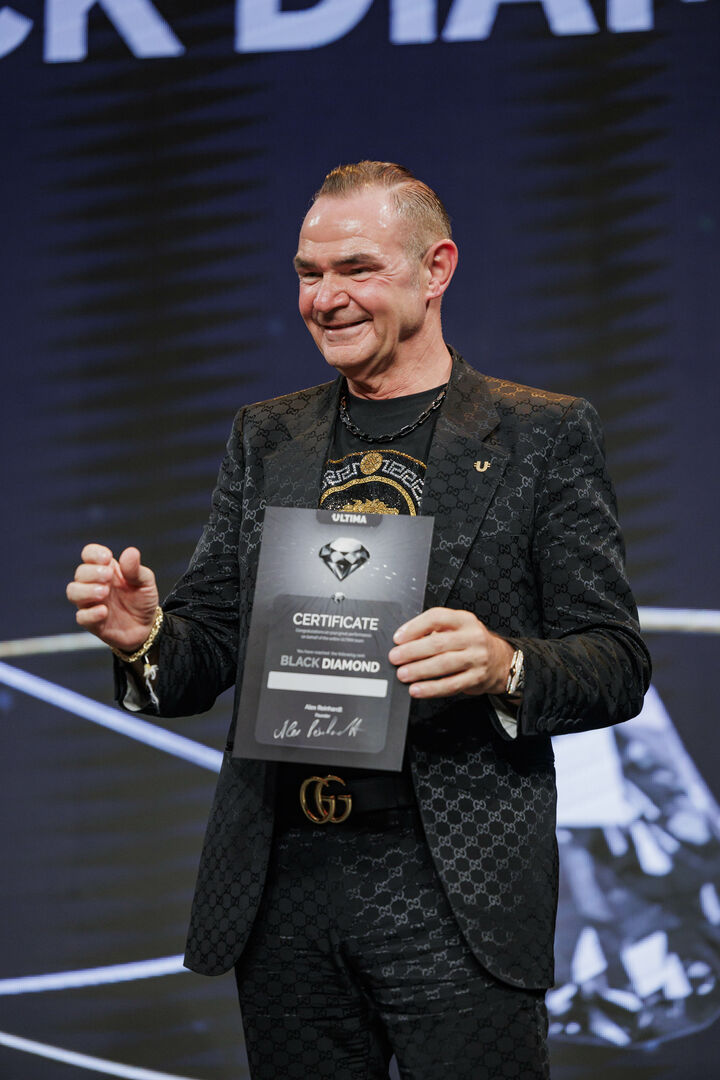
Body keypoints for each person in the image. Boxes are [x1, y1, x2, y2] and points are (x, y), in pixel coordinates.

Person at [66, 161, 651, 1079]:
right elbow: (205, 652)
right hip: (285, 886)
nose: (325, 298)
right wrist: (146, 638)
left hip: (455, 888)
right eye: (309, 273)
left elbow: (615, 660)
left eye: (357, 269)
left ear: (436, 268)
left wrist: (503, 663)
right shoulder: (266, 436)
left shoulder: (542, 434)